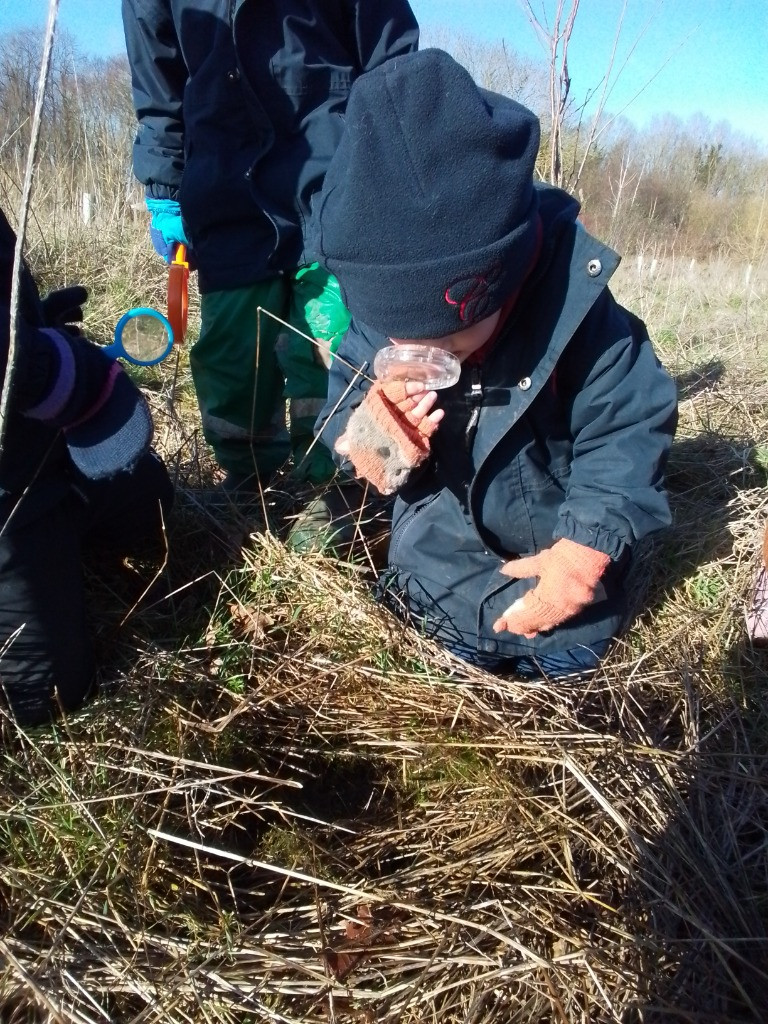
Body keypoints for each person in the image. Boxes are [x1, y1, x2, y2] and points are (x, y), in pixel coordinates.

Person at [312, 49, 679, 678]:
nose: (427, 353)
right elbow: (344, 406)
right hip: (435, 573)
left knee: (564, 666)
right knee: (435, 682)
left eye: (450, 338)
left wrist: (589, 548)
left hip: (557, 565)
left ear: (497, 281)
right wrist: (370, 439)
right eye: (404, 335)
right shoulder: (379, 322)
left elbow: (629, 427)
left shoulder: (576, 310)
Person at [120, 0, 419, 523]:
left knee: (336, 349)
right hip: (223, 184)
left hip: (335, 182)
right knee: (234, 355)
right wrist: (165, 185)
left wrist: (394, 157)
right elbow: (158, 85)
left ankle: (337, 493)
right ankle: (246, 486)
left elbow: (391, 56)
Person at [0, 206, 173, 727]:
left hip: (39, 457)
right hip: (8, 505)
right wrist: (47, 370)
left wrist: (35, 326)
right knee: (48, 702)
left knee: (153, 503)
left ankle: (60, 538)